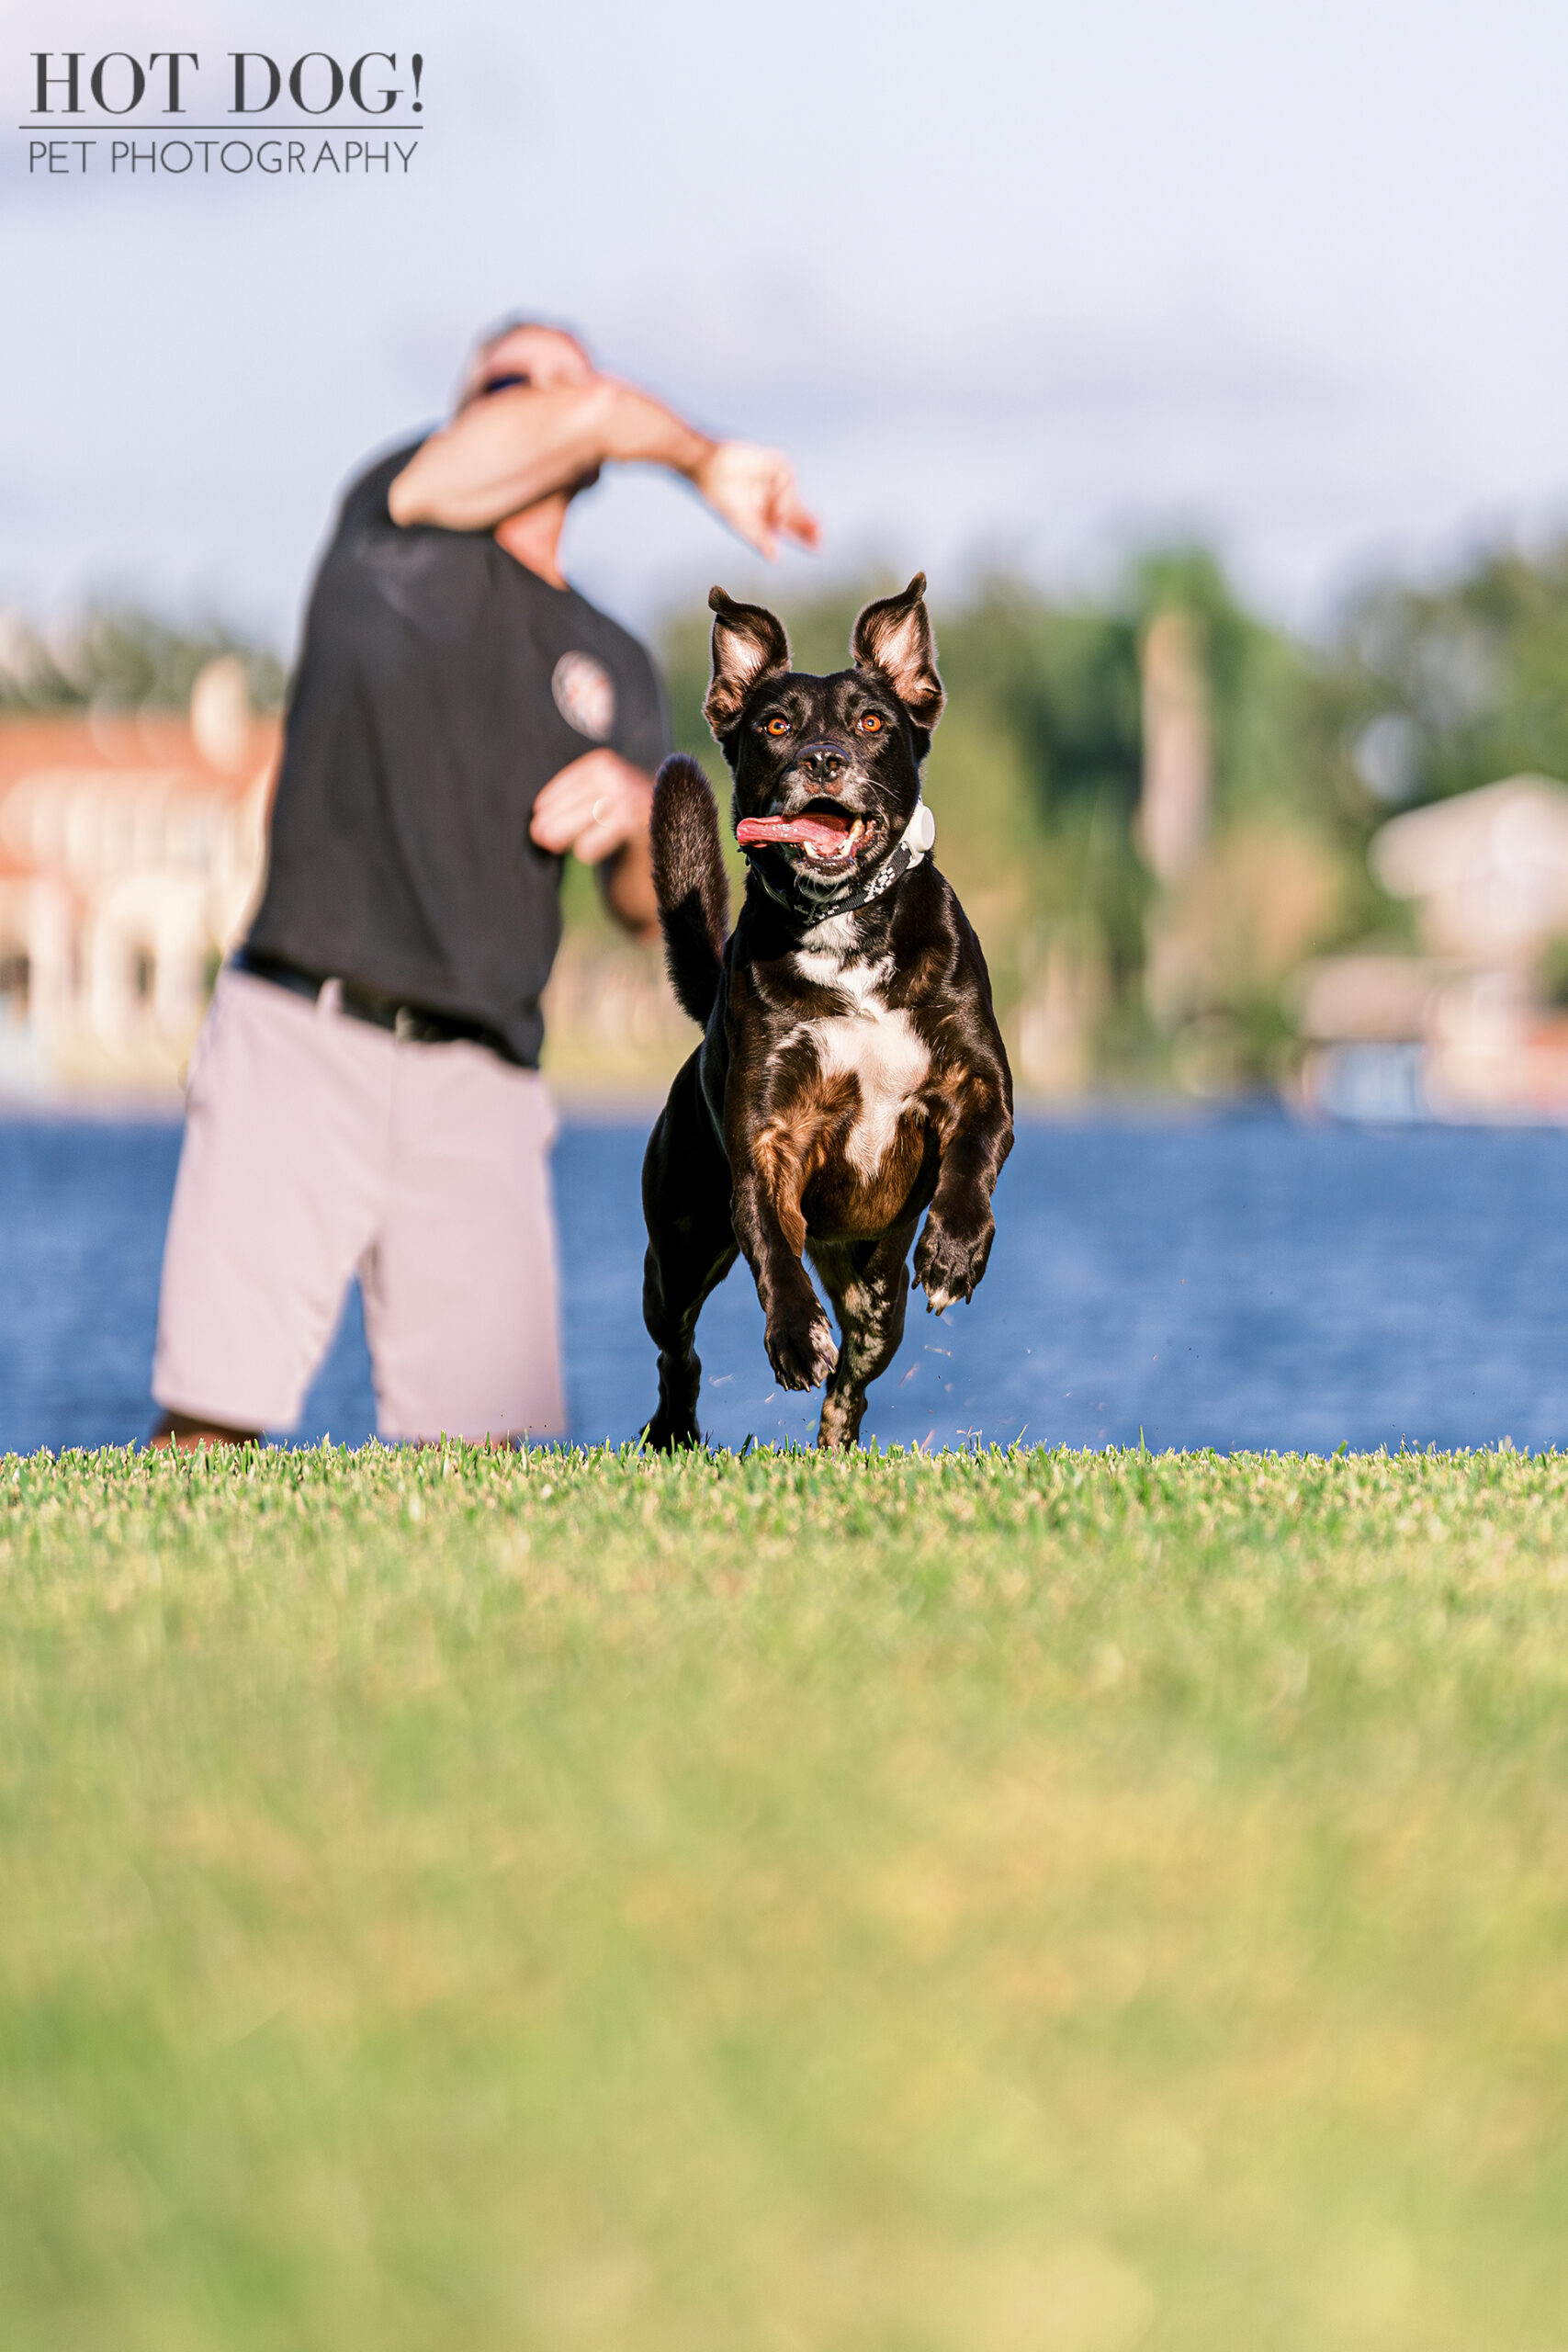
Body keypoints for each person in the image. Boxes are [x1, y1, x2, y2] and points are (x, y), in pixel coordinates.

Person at [151, 320, 818, 1448]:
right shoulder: (391, 526)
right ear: (468, 416)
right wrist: (700, 457)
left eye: (563, 387)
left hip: (485, 1079)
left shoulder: (608, 655)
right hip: (303, 1037)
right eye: (509, 386)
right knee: (210, 1426)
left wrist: (628, 823)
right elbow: (592, 421)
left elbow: (633, 910)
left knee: (486, 1467)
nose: (543, 409)